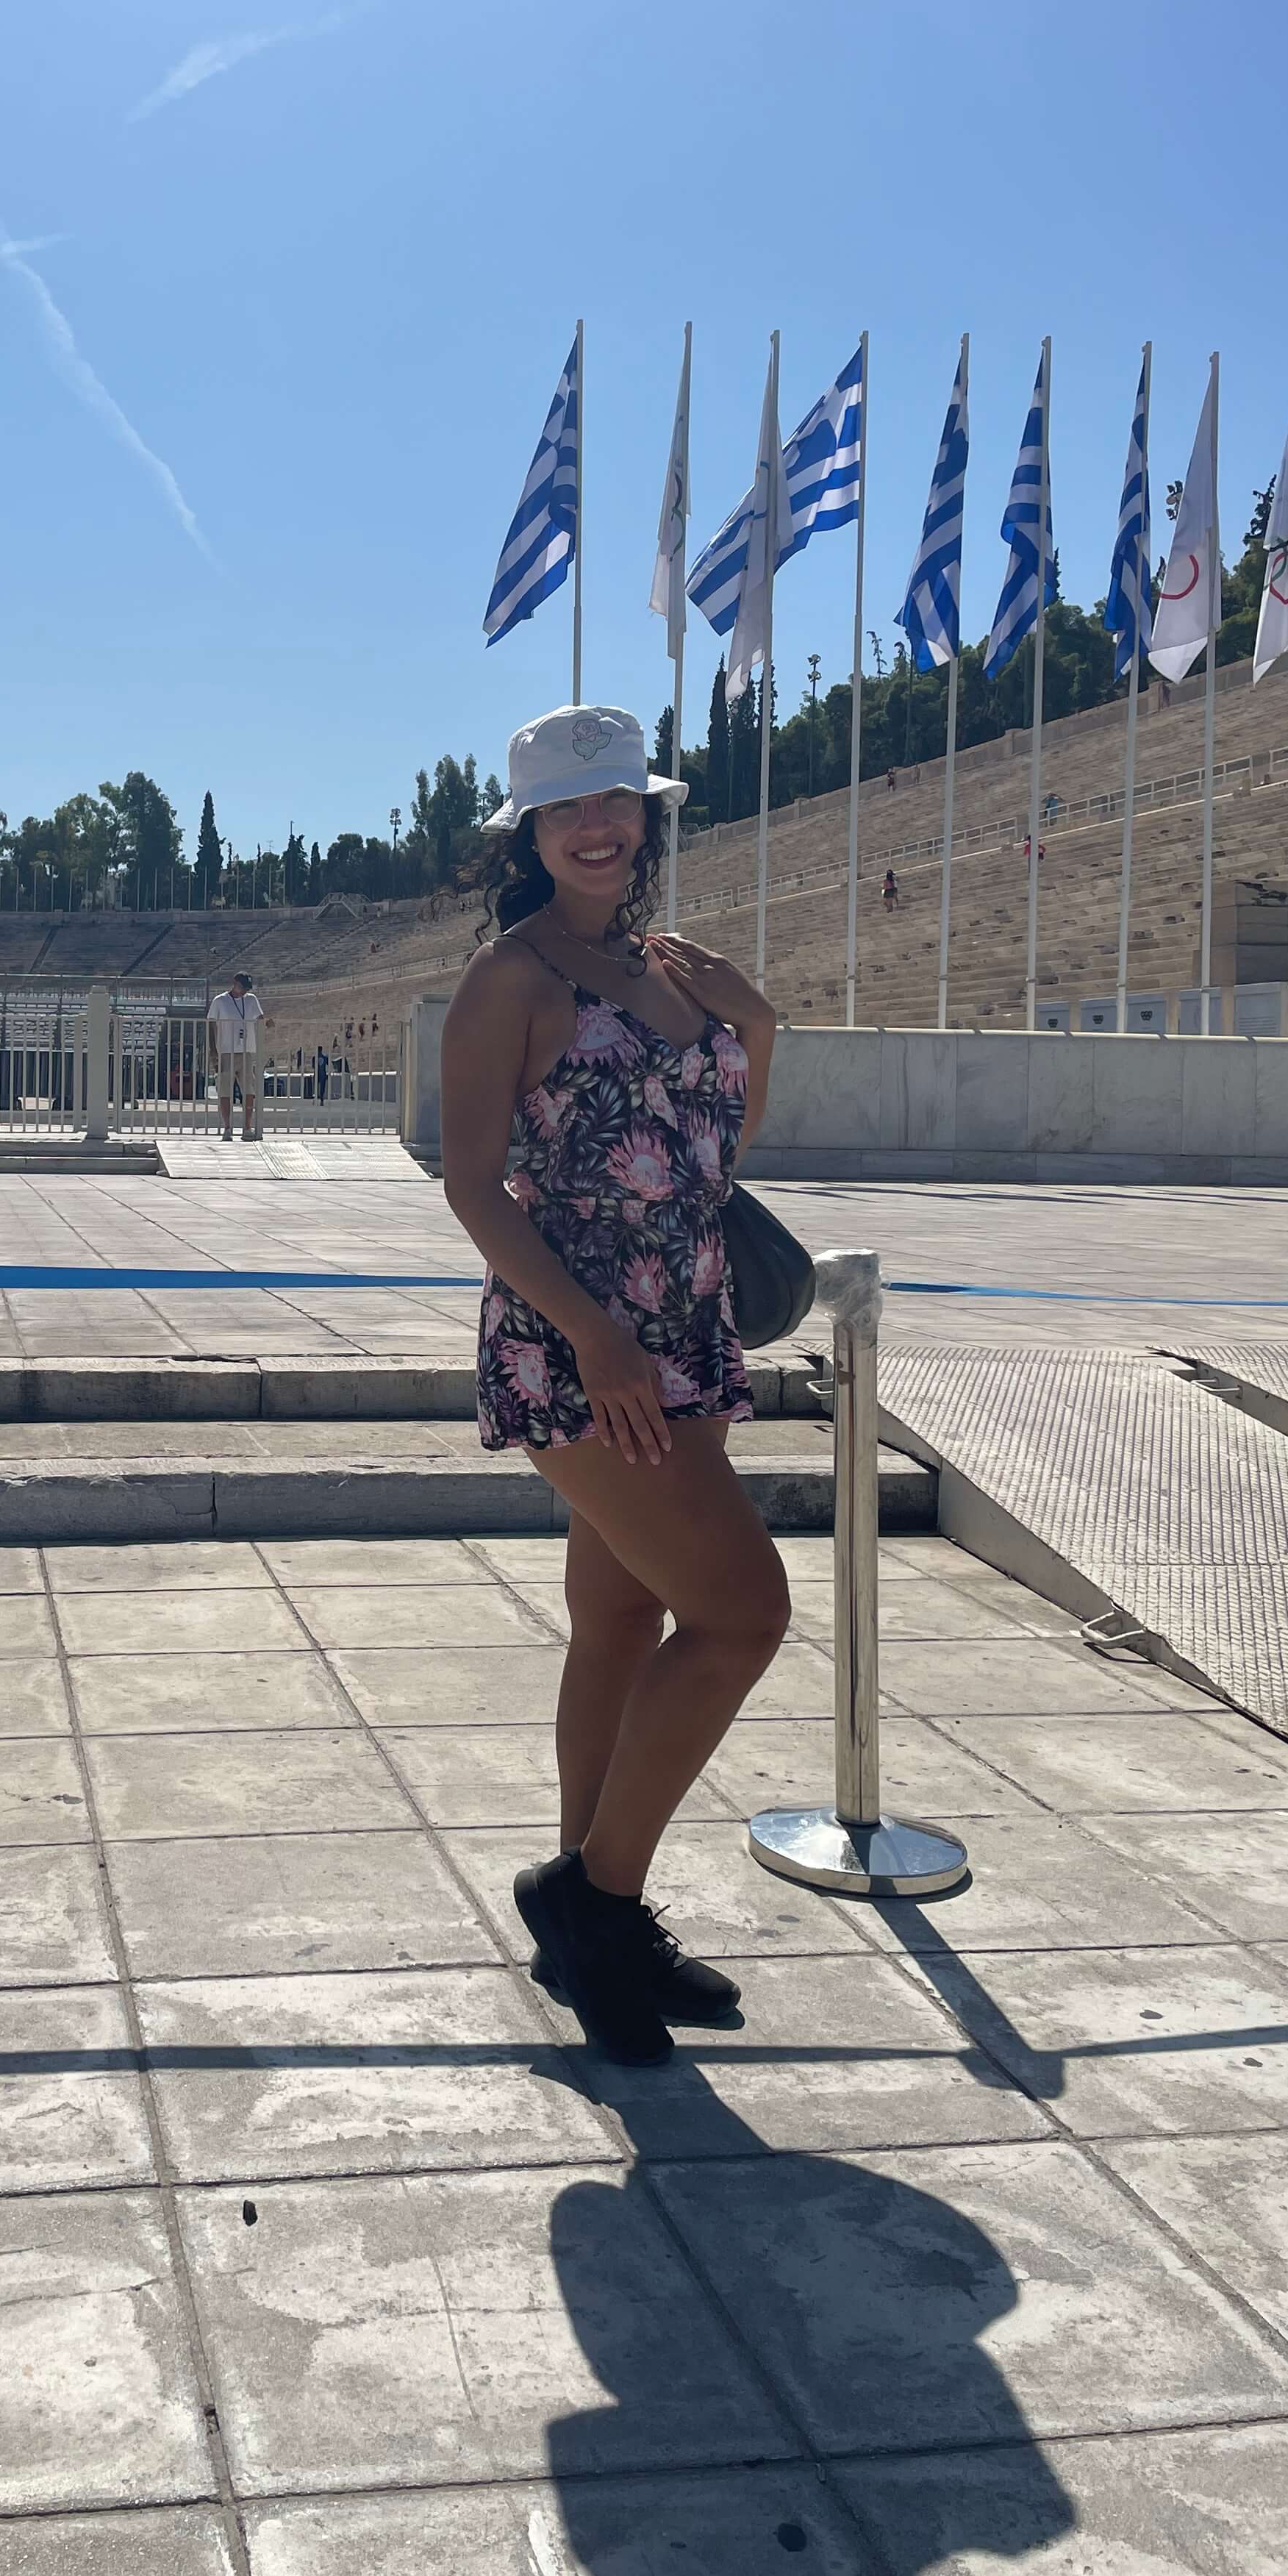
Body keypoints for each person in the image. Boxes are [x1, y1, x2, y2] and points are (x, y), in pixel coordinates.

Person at [440, 702, 787, 2067]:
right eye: (565, 808)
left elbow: (712, 1142)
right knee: (741, 1612)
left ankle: (588, 1906)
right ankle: (596, 1899)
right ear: (525, 834)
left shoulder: (667, 966)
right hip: (582, 1347)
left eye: (617, 803)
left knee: (622, 1617)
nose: (596, 826)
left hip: (680, 1328)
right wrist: (590, 1331)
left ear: (644, 817)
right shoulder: (508, 980)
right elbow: (470, 1183)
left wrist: (755, 1023)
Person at [207, 969, 262, 1141]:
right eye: (242, 987)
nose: (245, 991)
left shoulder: (251, 1000)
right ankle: (227, 1127)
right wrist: (214, 1051)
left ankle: (247, 1127)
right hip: (226, 1051)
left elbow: (260, 1018)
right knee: (225, 1090)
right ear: (235, 983)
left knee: (249, 1090)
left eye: (247, 988)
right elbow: (211, 1024)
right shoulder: (220, 1001)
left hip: (245, 1050)